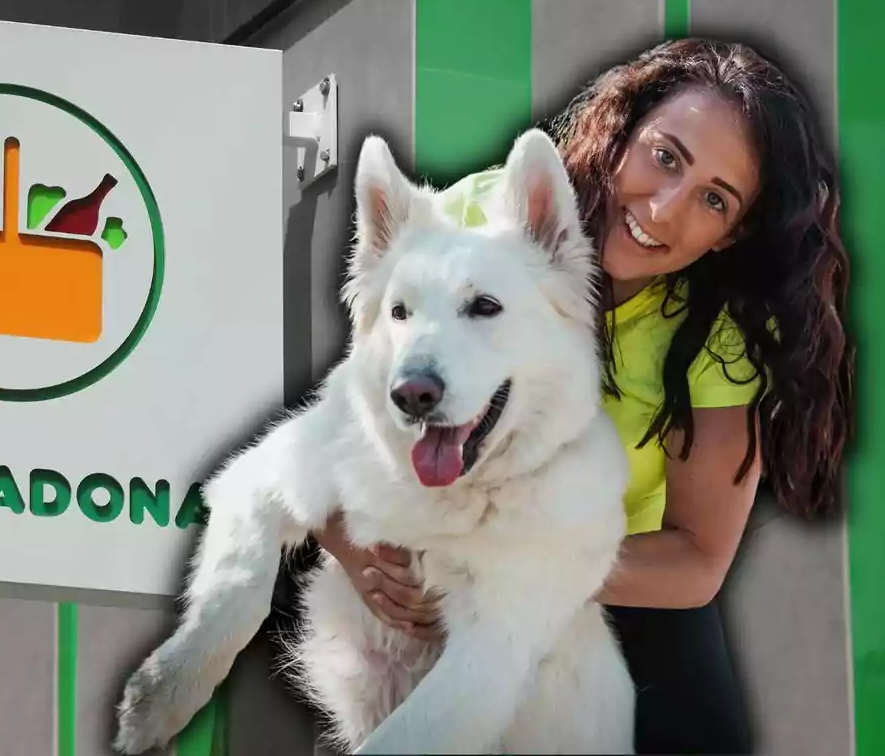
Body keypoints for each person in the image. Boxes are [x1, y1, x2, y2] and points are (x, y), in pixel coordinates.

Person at [279, 38, 854, 755]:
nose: (665, 209)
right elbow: (340, 431)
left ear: (731, 234)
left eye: (713, 199)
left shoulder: (719, 338)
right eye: (665, 156)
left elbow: (698, 557)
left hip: (609, 581)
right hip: (417, 562)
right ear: (623, 131)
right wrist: (356, 552)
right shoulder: (474, 220)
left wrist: (518, 574)